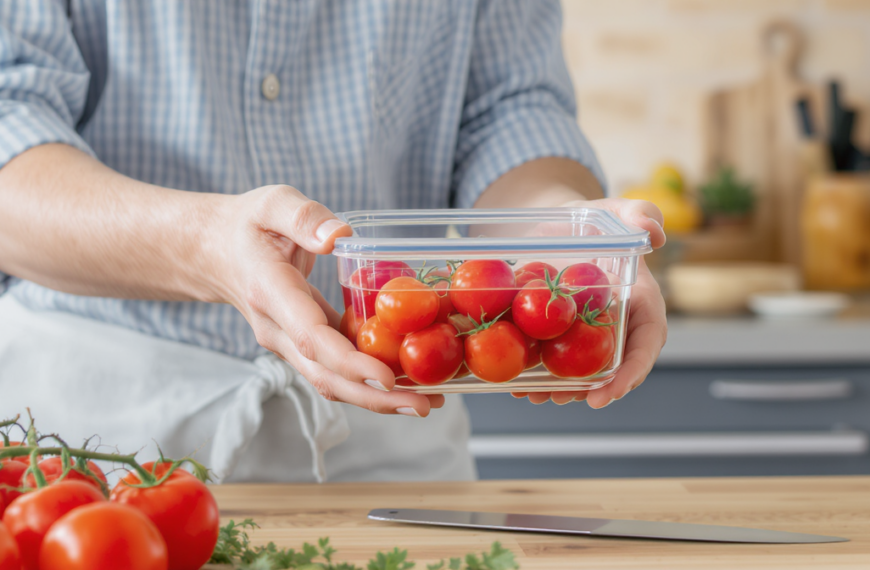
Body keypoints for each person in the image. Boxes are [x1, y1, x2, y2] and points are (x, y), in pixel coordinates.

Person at [0, 1, 667, 483]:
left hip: (389, 443)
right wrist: (200, 245)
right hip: (92, 448)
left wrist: (550, 232)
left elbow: (511, 111)